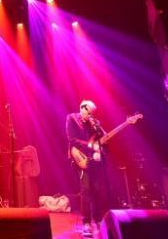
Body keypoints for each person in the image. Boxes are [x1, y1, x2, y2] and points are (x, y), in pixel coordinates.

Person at [66, 100, 108, 237]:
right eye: (88, 112)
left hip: (93, 160)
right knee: (86, 189)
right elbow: (72, 139)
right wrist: (90, 147)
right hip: (79, 158)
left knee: (97, 189)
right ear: (82, 108)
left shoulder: (95, 123)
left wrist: (99, 151)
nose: (90, 116)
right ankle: (86, 222)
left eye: (92, 114)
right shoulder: (72, 118)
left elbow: (102, 141)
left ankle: (97, 220)